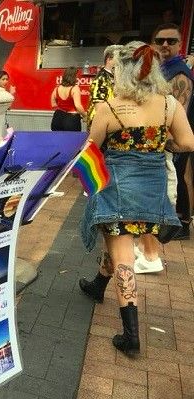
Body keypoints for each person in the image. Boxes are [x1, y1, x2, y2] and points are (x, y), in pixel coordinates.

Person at [78, 42, 194, 356]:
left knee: (123, 258)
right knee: (120, 243)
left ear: (122, 72)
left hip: (117, 191)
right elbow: (187, 142)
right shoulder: (169, 104)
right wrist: (162, 144)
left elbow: (92, 148)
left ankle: (131, 336)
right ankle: (96, 287)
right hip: (151, 193)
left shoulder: (109, 107)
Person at [153, 23, 193, 241]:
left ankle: (182, 224)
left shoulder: (179, 73)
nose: (165, 45)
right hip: (167, 136)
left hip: (177, 137)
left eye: (171, 41)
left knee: (182, 177)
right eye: (160, 41)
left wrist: (166, 140)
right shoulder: (163, 68)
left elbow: (180, 112)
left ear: (180, 44)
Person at [86, 45, 121, 129]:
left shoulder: (113, 77)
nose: (121, 62)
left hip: (108, 123)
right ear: (109, 59)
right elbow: (99, 108)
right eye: (119, 59)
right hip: (100, 126)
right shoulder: (101, 78)